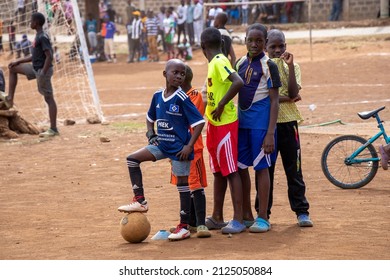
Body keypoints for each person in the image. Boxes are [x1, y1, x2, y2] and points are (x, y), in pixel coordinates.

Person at [118, 59, 206, 241]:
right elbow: (150, 118)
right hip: (162, 145)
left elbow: (199, 123)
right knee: (132, 159)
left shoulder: (183, 98)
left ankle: (184, 227)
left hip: (179, 149)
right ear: (165, 74)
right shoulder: (157, 96)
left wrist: (188, 146)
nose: (179, 76)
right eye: (176, 72)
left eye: (182, 74)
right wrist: (151, 134)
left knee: (183, 184)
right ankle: (140, 200)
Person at [264, 28, 313, 227]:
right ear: (266, 47)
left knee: (294, 170)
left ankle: (302, 211)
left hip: (289, 124)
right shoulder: (264, 67)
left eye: (281, 46)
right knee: (266, 171)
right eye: (273, 46)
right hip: (268, 127)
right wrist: (288, 99)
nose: (277, 50)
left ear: (286, 45)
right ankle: (263, 213)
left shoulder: (293, 66)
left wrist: (290, 67)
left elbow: (293, 90)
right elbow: (267, 98)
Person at [235, 24, 281, 233]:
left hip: (261, 126)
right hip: (242, 125)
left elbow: (274, 101)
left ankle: (263, 217)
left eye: (259, 41)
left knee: (261, 168)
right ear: (244, 40)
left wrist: (270, 132)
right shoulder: (240, 63)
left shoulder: (269, 65)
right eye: (250, 40)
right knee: (240, 166)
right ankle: (246, 214)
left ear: (265, 42)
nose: (254, 44)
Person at [200, 27, 246, 234]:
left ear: (202, 48)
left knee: (231, 171)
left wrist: (220, 105)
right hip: (214, 125)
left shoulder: (219, 61)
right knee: (219, 172)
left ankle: (238, 219)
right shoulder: (215, 62)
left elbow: (238, 82)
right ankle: (217, 216)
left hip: (225, 123)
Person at [170, 65, 211, 238]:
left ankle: (201, 224)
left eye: (177, 75)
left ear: (183, 78)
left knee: (195, 184)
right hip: (177, 149)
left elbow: (187, 120)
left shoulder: (194, 96)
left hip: (192, 149)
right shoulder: (175, 96)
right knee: (184, 184)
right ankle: (189, 223)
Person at [4, 12, 58, 137]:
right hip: (35, 68)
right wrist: (18, 60)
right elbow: (34, 56)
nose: (30, 22)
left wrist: (43, 73)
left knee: (49, 98)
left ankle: (54, 129)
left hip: (42, 71)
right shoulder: (37, 36)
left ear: (37, 23)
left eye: (31, 21)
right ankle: (10, 98)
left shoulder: (43, 37)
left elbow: (49, 56)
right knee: (14, 68)